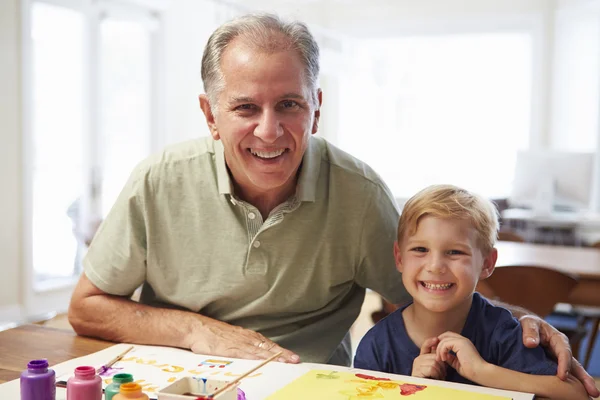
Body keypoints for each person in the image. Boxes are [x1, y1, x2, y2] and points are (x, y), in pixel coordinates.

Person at [67, 13, 599, 397]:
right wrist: (196, 330)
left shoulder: (359, 194)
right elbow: (85, 306)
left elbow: (427, 292)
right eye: (246, 107)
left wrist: (525, 322)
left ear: (316, 108)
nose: (269, 131)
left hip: (311, 385)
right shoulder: (158, 181)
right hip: (176, 382)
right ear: (210, 114)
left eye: (290, 104)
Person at [353, 185, 591, 399]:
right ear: (399, 257)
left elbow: (576, 394)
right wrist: (409, 391)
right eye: (420, 249)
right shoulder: (377, 345)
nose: (435, 266)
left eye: (455, 252)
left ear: (487, 263)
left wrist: (483, 372)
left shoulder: (502, 333)